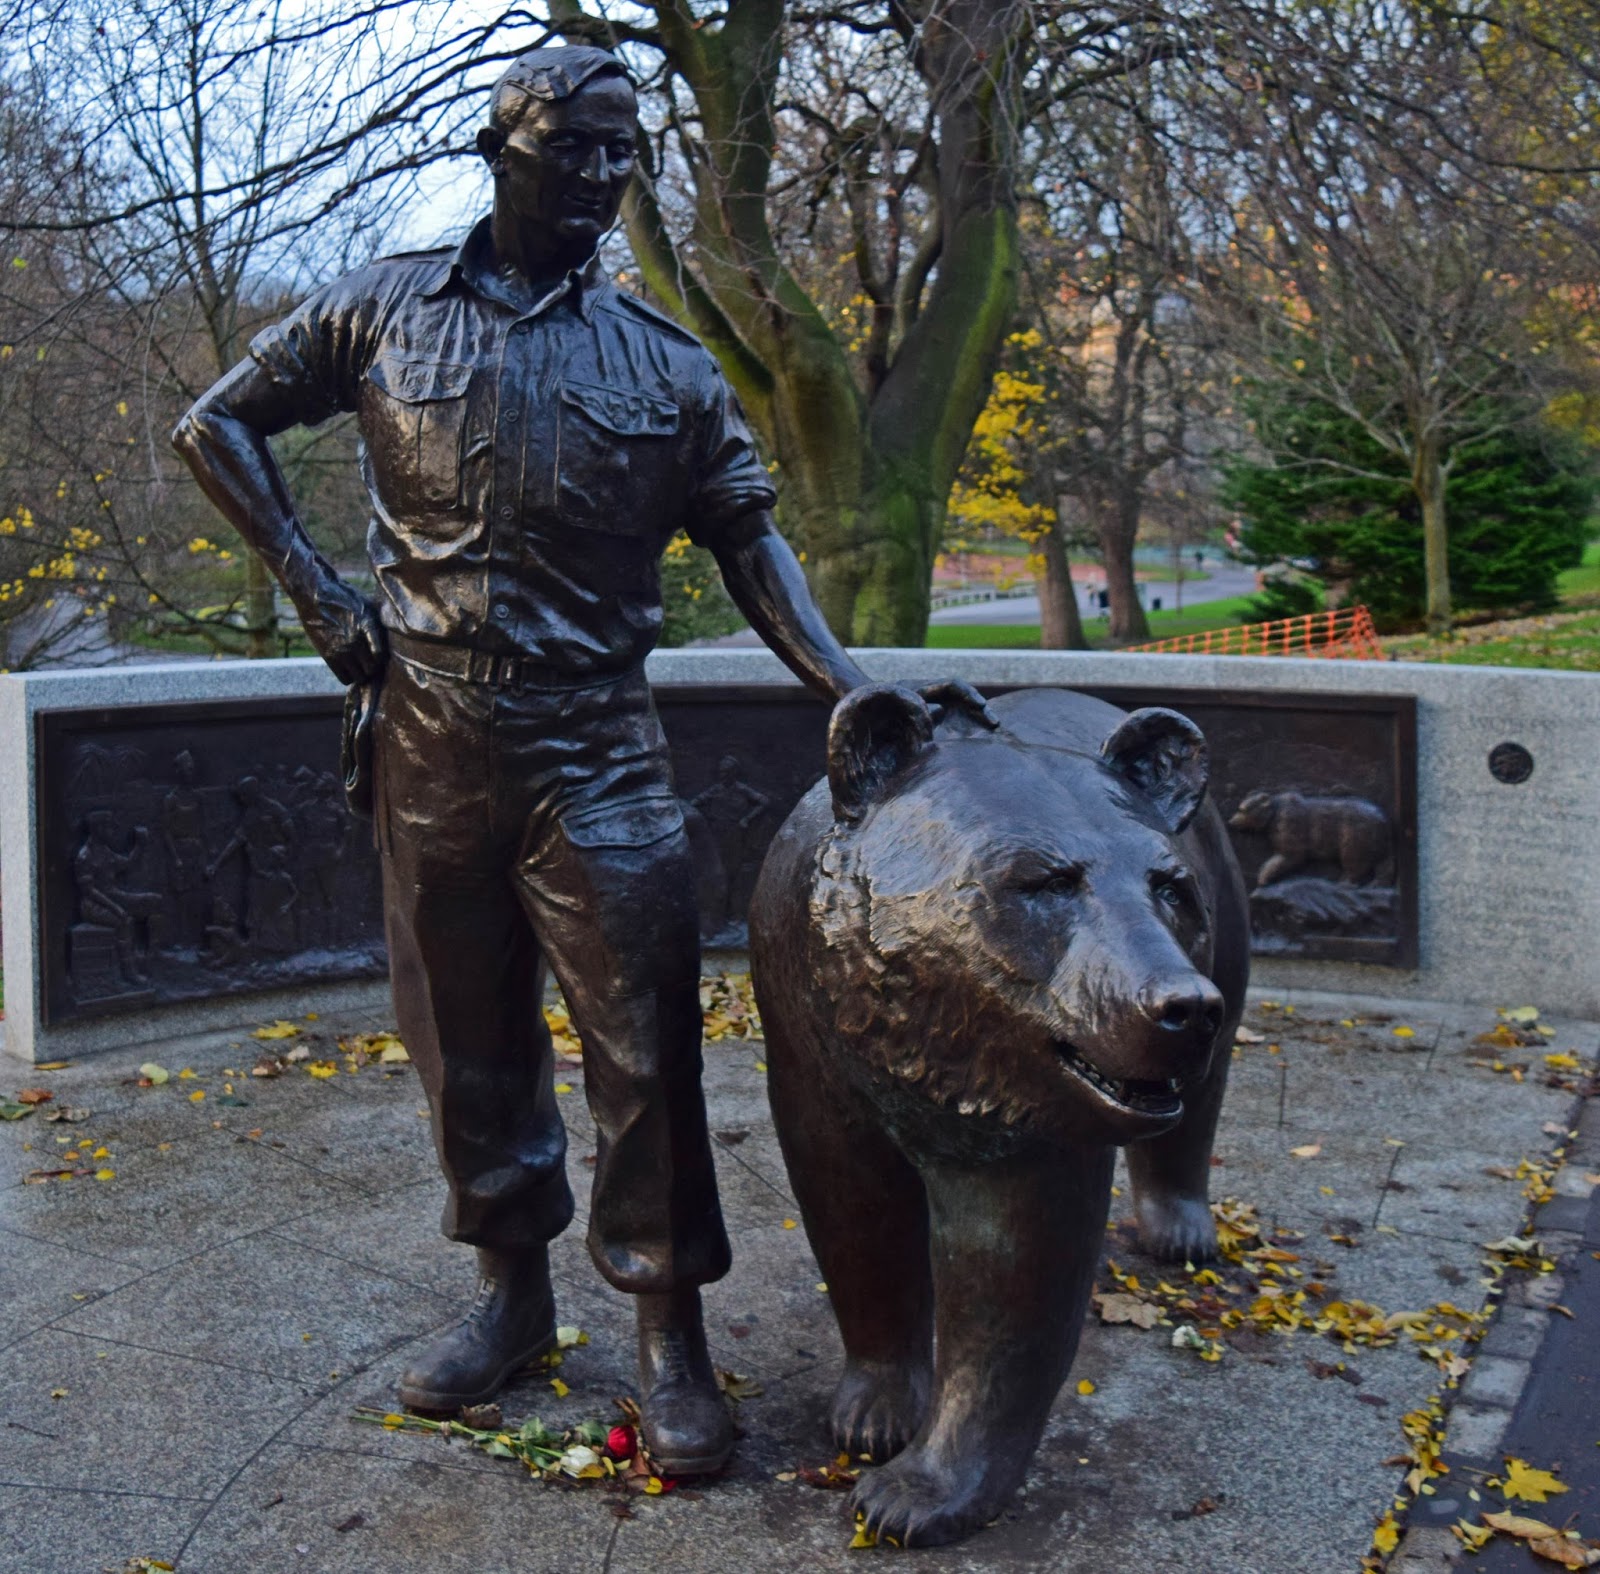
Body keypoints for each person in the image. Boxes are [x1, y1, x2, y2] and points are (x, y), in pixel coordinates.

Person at [172, 43, 984, 1476]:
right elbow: (212, 421)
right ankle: (512, 1301)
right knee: (465, 1044)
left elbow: (749, 538)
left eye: (624, 155)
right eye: (580, 151)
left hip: (600, 744)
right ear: (505, 148)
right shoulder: (378, 311)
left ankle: (670, 1331)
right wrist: (313, 587)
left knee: (644, 1047)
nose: (605, 179)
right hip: (428, 734)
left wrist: (848, 687)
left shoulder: (663, 365)